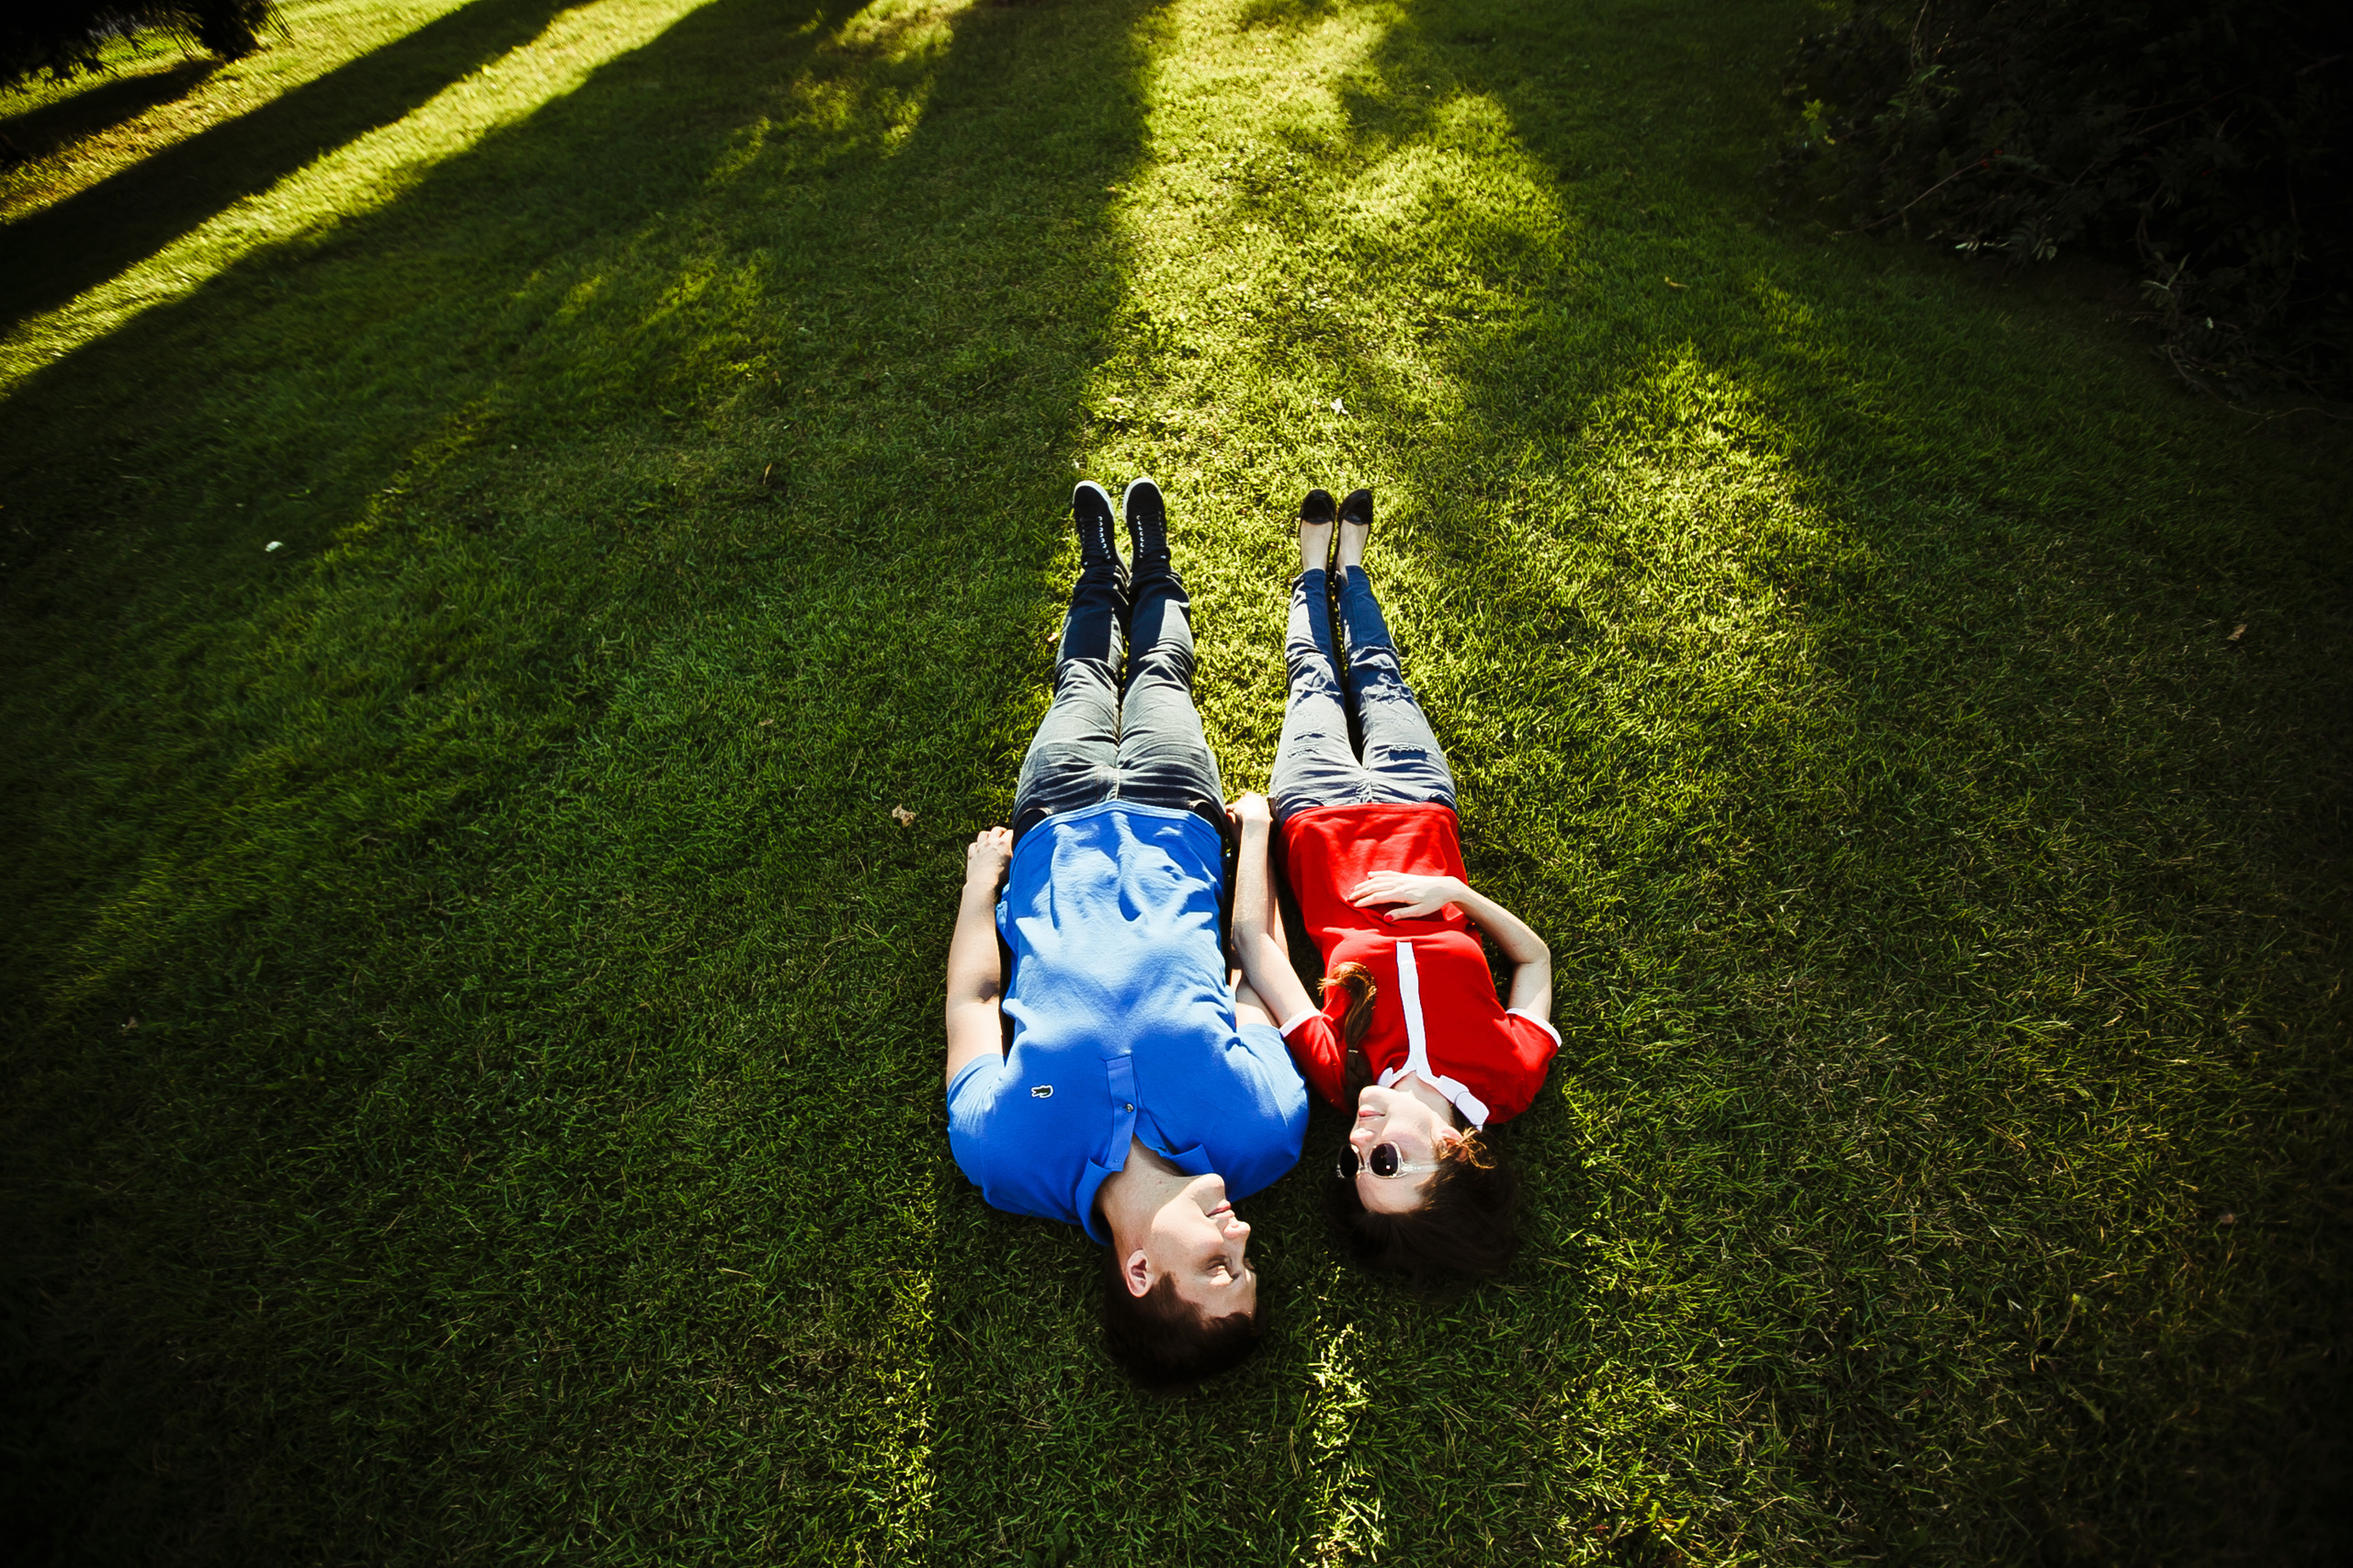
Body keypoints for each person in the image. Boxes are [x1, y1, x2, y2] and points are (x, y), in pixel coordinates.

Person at [943, 477, 1308, 1387]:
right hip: (1177, 812)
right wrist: (1251, 839)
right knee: (1159, 675)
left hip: (1053, 818)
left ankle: (1095, 569)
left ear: (1140, 1270)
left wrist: (979, 884)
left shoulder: (1003, 1154)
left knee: (1078, 678)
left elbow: (974, 1000)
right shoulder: (1265, 1132)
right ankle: (1152, 563)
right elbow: (1255, 965)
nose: (1244, 1234)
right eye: (1250, 1260)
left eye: (1221, 1265)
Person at [1228, 485, 1557, 1280]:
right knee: (1379, 675)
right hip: (1420, 811)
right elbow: (1536, 963)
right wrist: (1456, 896)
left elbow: (1255, 948)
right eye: (1386, 1166)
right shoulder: (1508, 1079)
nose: (1356, 1150)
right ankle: (1352, 571)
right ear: (1453, 1152)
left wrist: (1262, 833)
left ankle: (1312, 572)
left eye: (1353, 1170)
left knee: (1311, 679)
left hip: (1315, 818)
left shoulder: (1342, 1077)